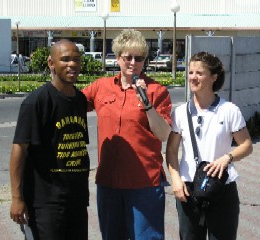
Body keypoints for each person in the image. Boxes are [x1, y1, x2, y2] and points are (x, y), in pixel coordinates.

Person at [81, 29, 172, 240]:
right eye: (127, 57)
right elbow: (72, 103)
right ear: (117, 57)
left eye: (139, 58)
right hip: (109, 182)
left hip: (144, 184)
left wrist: (147, 105)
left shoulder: (157, 91)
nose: (133, 62)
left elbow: (163, 134)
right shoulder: (101, 87)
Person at [166, 51, 253, 240]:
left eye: (199, 73)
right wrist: (176, 180)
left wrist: (227, 158)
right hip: (188, 190)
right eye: (190, 72)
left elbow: (246, 145)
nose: (193, 77)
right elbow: (171, 150)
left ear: (214, 77)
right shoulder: (180, 112)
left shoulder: (229, 110)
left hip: (222, 187)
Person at [9, 39, 90, 240]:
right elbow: (19, 150)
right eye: (65, 59)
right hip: (46, 203)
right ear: (51, 63)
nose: (72, 64)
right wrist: (17, 198)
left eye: (76, 60)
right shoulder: (36, 102)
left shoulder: (79, 100)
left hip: (77, 199)